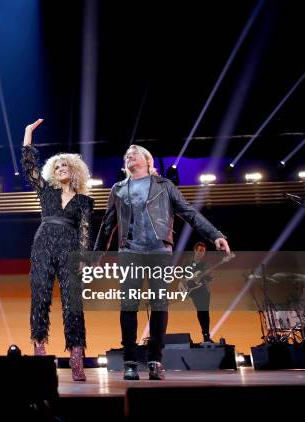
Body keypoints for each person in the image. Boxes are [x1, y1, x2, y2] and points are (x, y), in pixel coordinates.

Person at [94, 144, 230, 380]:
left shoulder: (164, 186)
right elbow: (107, 225)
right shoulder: (117, 189)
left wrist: (215, 235)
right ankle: (130, 362)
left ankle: (155, 360)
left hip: (159, 251)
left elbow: (189, 212)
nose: (129, 156)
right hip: (130, 252)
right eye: (126, 155)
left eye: (134, 154)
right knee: (129, 306)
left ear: (148, 161)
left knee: (159, 305)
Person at [21, 119, 94, 381]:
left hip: (70, 250)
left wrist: (84, 259)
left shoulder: (85, 201)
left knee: (73, 305)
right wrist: (28, 134)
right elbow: (29, 168)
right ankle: (40, 355)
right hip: (42, 246)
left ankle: (76, 359)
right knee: (39, 299)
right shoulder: (46, 192)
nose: (62, 168)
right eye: (58, 165)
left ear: (74, 171)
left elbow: (85, 231)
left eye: (66, 165)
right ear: (53, 171)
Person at [185, 242, 215, 343]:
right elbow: (181, 275)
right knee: (202, 311)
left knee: (204, 312)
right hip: (193, 291)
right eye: (200, 251)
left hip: (204, 290)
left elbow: (211, 277)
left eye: (203, 251)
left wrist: (207, 275)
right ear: (195, 250)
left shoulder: (206, 264)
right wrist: (185, 282)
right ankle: (206, 335)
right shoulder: (188, 263)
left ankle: (206, 335)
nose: (201, 253)